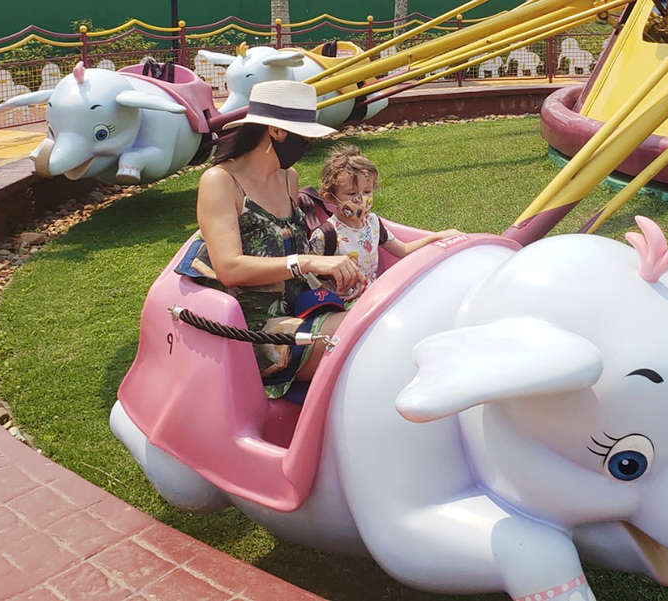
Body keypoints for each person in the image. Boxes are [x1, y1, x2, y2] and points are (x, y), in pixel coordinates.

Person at [185, 80, 365, 399]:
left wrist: (328, 276)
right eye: (304, 135)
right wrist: (306, 262)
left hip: (300, 308)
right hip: (251, 329)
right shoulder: (220, 182)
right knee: (360, 341)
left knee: (374, 322)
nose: (308, 142)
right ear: (277, 132)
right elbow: (229, 268)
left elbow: (290, 253)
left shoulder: (288, 178)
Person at [309, 144, 461, 302]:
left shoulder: (372, 223)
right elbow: (306, 272)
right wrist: (325, 290)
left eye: (367, 192)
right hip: (344, 306)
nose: (361, 199)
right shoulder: (327, 234)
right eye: (352, 193)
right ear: (330, 197)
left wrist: (437, 237)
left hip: (373, 298)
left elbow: (403, 250)